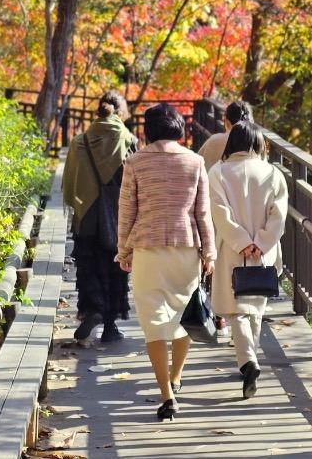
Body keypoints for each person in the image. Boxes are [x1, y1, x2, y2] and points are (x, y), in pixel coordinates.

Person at [117, 102, 216, 421]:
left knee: (154, 320)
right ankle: (176, 375)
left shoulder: (135, 162)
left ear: (148, 129)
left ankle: (167, 393)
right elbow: (203, 212)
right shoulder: (195, 161)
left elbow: (126, 210)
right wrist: (209, 252)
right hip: (186, 248)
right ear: (178, 128)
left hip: (147, 248)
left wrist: (123, 249)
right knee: (183, 312)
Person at [208, 120, 288, 399]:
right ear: (258, 144)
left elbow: (218, 212)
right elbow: (279, 215)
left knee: (236, 310)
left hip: (231, 250)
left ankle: (248, 362)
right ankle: (249, 358)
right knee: (255, 307)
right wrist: (261, 242)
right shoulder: (273, 173)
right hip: (264, 253)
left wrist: (242, 242)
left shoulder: (218, 172)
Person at [62, 90, 137, 343]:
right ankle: (110, 327)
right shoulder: (128, 140)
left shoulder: (79, 142)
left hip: (87, 216)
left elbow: (70, 185)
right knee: (116, 270)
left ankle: (92, 309)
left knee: (89, 267)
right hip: (119, 217)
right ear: (121, 112)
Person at [197, 99, 253, 171]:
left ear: (227, 121)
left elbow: (198, 163)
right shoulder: (256, 143)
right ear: (251, 122)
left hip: (213, 181)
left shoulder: (214, 140)